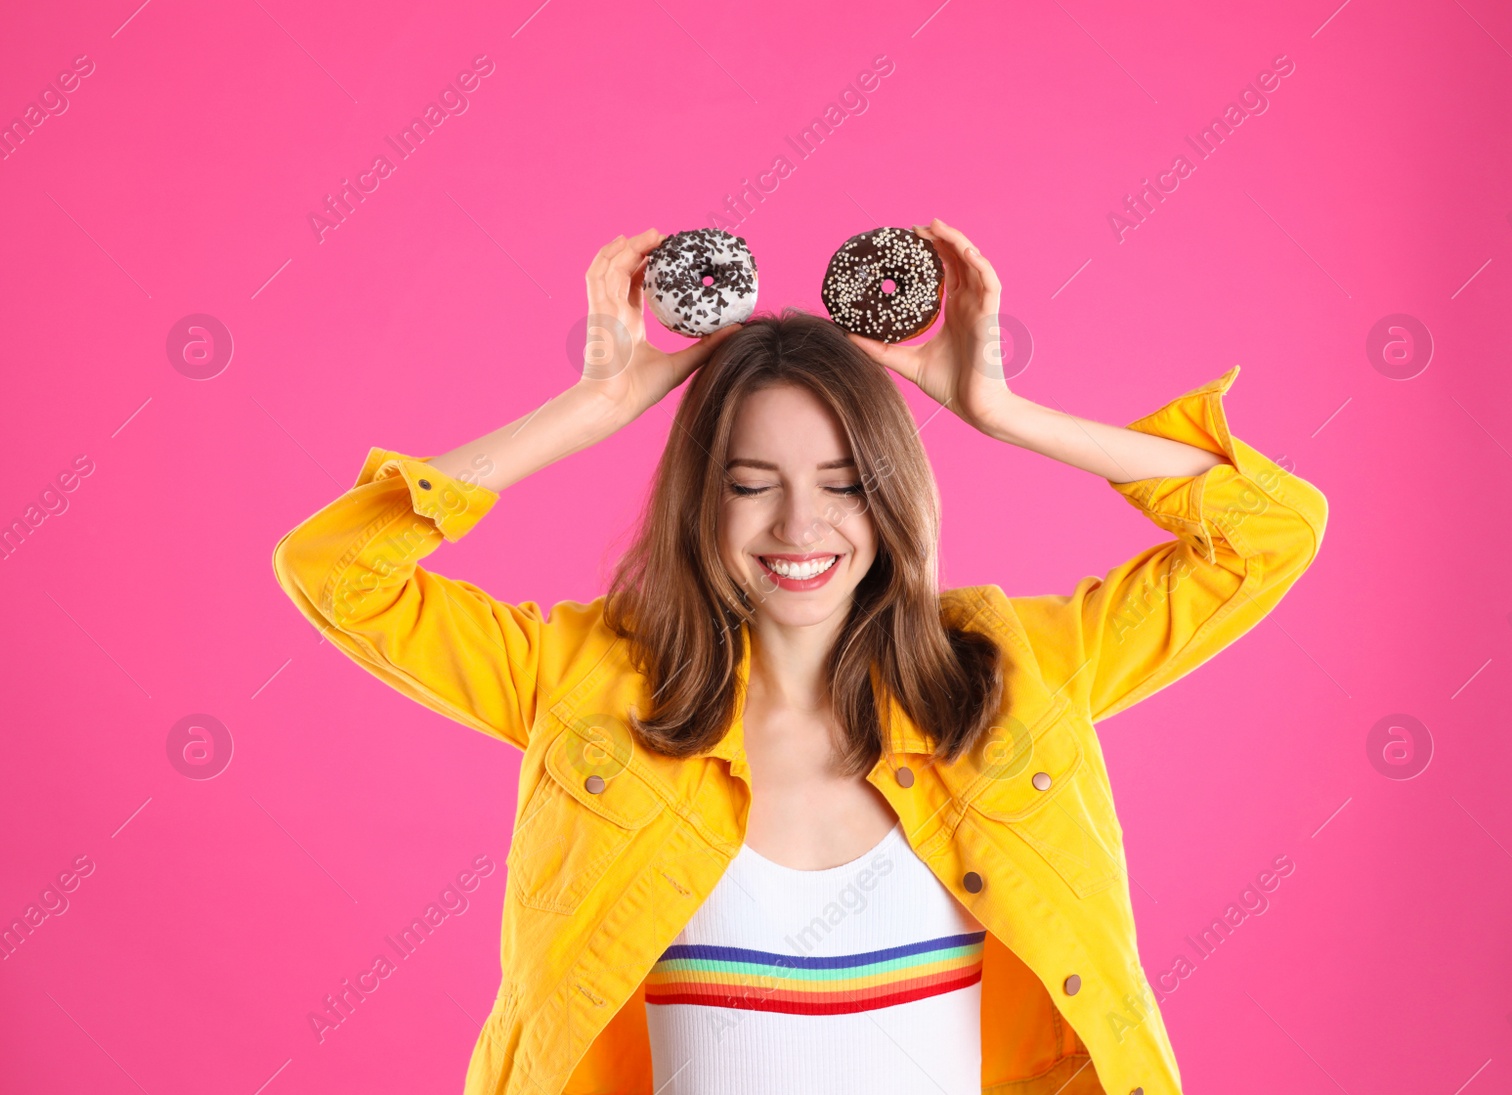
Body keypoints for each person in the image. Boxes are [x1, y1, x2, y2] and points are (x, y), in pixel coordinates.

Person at [273, 218, 1328, 1094]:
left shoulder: (1017, 673)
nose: (798, 526)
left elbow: (1266, 532)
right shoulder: (585, 683)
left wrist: (1001, 414)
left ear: (892, 492)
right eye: (748, 483)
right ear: (699, 497)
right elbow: (337, 573)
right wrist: (592, 408)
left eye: (841, 482)